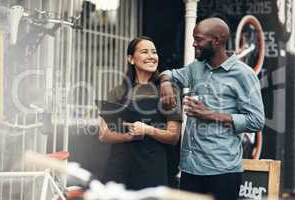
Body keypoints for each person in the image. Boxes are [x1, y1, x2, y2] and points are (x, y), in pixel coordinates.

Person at [159, 18, 265, 200]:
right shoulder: (196, 68)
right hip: (190, 169)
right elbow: (169, 74)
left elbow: (257, 120)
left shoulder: (243, 74)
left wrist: (211, 115)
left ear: (216, 41)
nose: (193, 44)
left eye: (198, 39)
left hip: (222, 171)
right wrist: (166, 83)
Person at [97, 36, 181, 190]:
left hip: (152, 169)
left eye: (154, 52)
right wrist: (128, 136)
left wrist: (147, 130)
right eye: (144, 52)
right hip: (120, 168)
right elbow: (103, 134)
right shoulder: (118, 92)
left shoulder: (167, 91)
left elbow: (173, 136)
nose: (151, 56)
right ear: (131, 59)